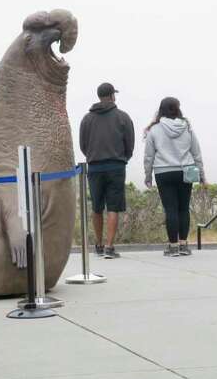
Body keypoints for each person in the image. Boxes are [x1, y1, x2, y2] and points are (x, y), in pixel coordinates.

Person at [143, 96, 205, 257]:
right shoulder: (187, 128)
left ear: (161, 110)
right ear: (178, 109)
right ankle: (184, 245)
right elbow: (196, 153)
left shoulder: (154, 130)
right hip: (187, 170)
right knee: (183, 208)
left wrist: (148, 175)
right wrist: (202, 175)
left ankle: (173, 246)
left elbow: (149, 156)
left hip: (163, 172)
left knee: (170, 209)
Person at [79, 82, 134, 259]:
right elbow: (130, 144)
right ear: (111, 95)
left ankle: (99, 245)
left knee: (96, 207)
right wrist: (123, 158)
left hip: (94, 166)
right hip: (116, 166)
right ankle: (110, 247)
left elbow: (83, 145)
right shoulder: (123, 117)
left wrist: (93, 156)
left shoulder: (87, 119)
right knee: (113, 207)